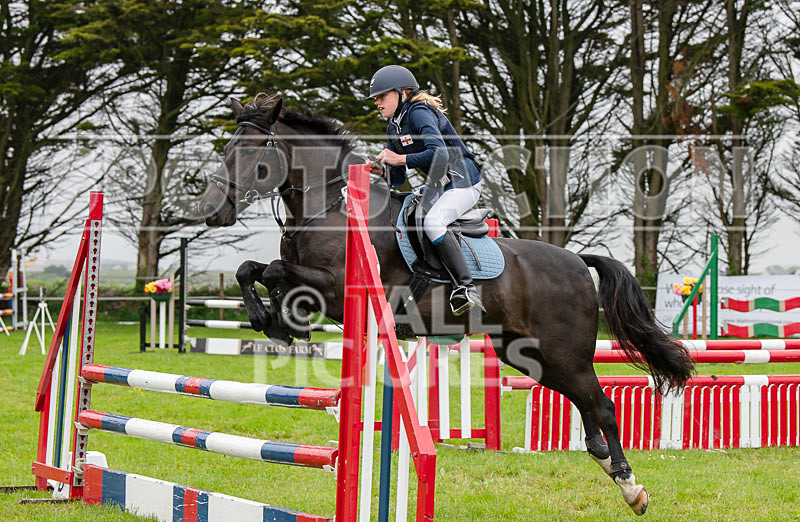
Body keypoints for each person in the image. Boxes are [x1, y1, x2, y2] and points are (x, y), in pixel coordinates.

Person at [366, 64, 485, 316]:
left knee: (433, 222)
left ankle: (465, 288)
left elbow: (439, 153)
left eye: (381, 96)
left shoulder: (419, 112)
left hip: (463, 180)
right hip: (439, 185)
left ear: (402, 92)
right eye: (375, 98)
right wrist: (382, 171)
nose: (377, 102)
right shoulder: (394, 126)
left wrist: (397, 159)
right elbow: (397, 178)